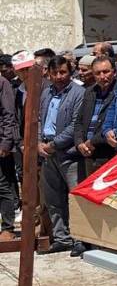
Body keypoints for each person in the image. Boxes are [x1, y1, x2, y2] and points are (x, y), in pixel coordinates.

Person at [37, 57, 84, 254]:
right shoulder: (46, 93)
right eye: (55, 73)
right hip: (47, 151)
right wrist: (39, 142)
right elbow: (40, 118)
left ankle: (80, 239)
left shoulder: (78, 93)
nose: (58, 77)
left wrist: (54, 145)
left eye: (63, 72)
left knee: (76, 197)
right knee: (53, 198)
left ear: (70, 71)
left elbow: (75, 124)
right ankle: (61, 237)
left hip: (68, 153)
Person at [73, 56, 117, 178]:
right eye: (98, 73)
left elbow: (116, 123)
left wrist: (93, 142)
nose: (103, 76)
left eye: (106, 71)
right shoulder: (89, 91)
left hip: (109, 154)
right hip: (89, 155)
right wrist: (79, 143)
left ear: (114, 71)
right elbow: (79, 121)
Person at [0, 67, 17, 243]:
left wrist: (5, 142)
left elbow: (8, 114)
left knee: (3, 186)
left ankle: (7, 227)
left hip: (0, 144)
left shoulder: (2, 84)